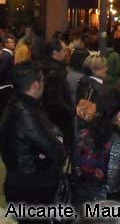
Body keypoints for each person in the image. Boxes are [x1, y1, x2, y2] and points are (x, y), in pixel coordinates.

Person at [0, 62, 66, 224]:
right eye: (42, 80)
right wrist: (55, 141)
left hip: (18, 182)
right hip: (32, 190)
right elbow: (58, 153)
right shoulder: (27, 114)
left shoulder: (15, 102)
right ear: (36, 85)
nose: (44, 84)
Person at [71, 87, 120, 205]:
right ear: (119, 113)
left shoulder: (81, 136)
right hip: (113, 205)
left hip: (81, 203)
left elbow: (75, 169)